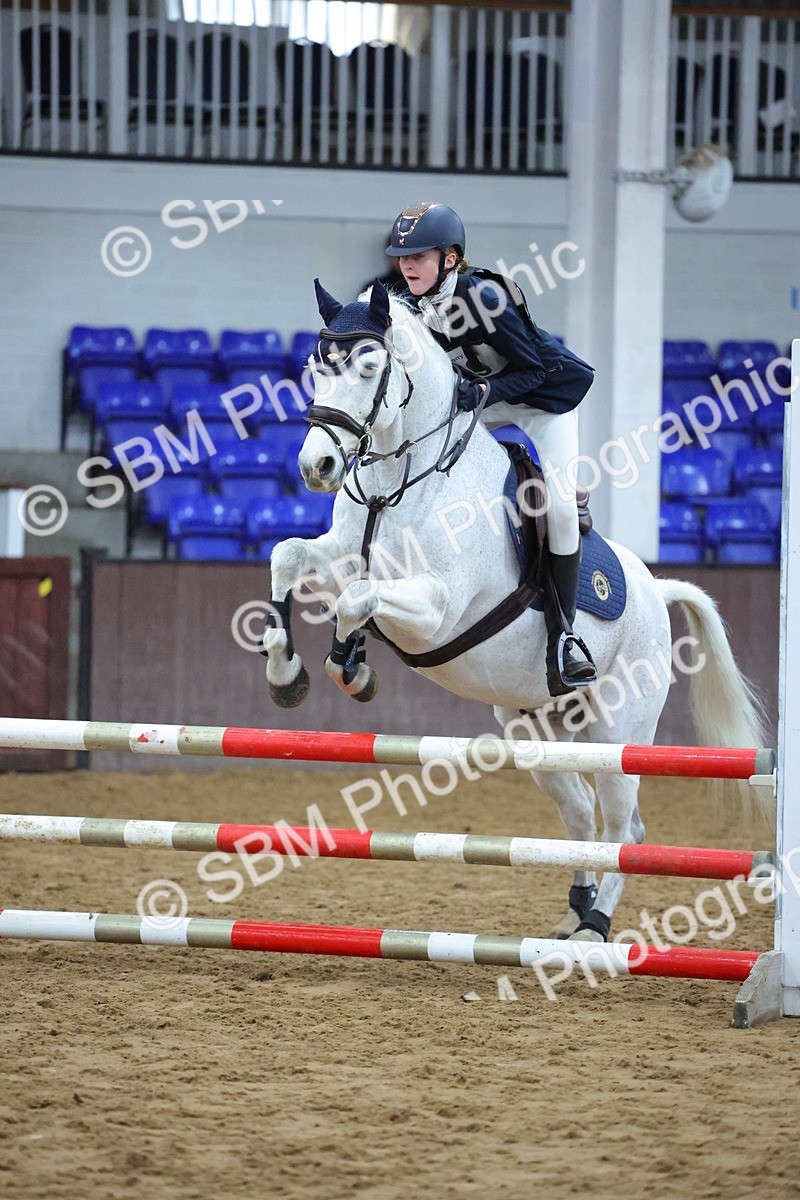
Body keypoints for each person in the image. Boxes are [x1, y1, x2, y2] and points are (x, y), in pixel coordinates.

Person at [385, 200, 597, 697]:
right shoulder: (413, 304)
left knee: (562, 509)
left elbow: (534, 371)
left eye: (419, 255)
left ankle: (566, 636)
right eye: (402, 256)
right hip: (485, 399)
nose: (407, 265)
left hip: (543, 403)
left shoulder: (484, 297)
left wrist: (481, 395)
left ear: (452, 258)